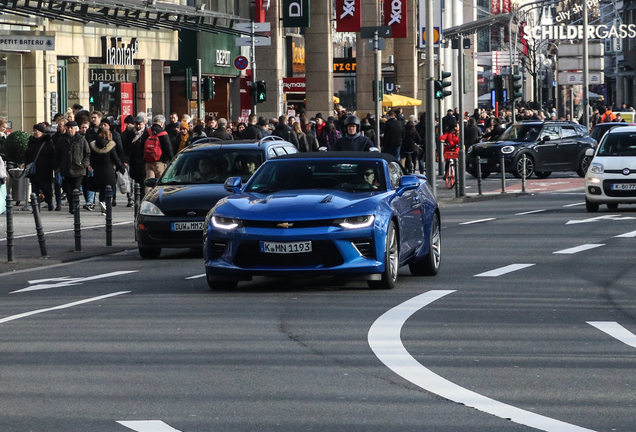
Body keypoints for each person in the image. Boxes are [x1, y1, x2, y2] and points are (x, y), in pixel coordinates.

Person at [54, 121, 91, 214]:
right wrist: (57, 166)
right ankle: (71, 205)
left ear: (76, 129)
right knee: (68, 189)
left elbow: (87, 154)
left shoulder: (81, 139)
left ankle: (75, 206)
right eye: (68, 128)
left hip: (79, 169)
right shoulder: (62, 140)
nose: (70, 130)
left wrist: (83, 164)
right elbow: (57, 154)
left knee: (75, 189)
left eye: (72, 128)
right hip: (66, 169)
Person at [88, 129, 126, 213]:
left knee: (102, 189)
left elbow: (92, 159)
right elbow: (115, 158)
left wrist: (93, 166)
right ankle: (105, 203)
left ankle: (102, 202)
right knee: (110, 188)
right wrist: (121, 168)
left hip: (98, 170)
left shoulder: (94, 145)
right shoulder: (110, 145)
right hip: (108, 170)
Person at [25, 124, 56, 211]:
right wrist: (27, 163)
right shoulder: (31, 141)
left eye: (36, 130)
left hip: (46, 168)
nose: (34, 132)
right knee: (35, 188)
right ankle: (36, 206)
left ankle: (49, 202)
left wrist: (53, 165)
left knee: (46, 187)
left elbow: (53, 154)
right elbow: (27, 153)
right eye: (34, 130)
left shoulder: (48, 141)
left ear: (41, 132)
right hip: (34, 169)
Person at [139, 114, 174, 188]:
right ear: (162, 123)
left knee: (149, 183)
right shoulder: (163, 133)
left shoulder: (147, 132)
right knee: (161, 183)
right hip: (160, 162)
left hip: (148, 161)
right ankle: (158, 198)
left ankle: (148, 198)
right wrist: (172, 160)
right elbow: (168, 148)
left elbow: (141, 146)